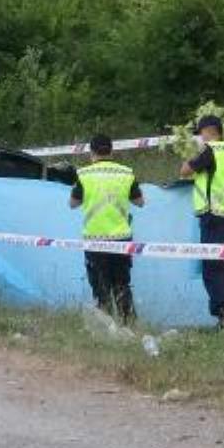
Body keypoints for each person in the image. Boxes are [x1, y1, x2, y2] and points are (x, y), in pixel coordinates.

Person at [69, 134, 144, 323]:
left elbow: (72, 203)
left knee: (100, 287)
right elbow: (140, 202)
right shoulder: (126, 173)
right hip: (121, 238)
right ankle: (129, 325)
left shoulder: (84, 174)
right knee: (122, 284)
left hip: (95, 239)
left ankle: (106, 326)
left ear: (91, 152)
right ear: (112, 151)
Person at [179, 115, 224, 330]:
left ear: (208, 130)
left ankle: (222, 315)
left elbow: (185, 171)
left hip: (213, 216)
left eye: (200, 132)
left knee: (212, 268)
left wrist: (192, 155)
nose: (200, 136)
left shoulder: (211, 152)